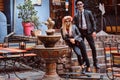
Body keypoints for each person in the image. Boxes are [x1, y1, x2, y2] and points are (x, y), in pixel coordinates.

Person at [73, 0, 100, 69]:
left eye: (80, 4)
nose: (79, 6)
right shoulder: (76, 16)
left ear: (83, 5)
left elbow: (93, 22)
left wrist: (94, 31)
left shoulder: (88, 13)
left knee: (93, 47)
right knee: (82, 48)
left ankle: (95, 62)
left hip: (89, 32)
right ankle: (85, 61)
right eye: (78, 4)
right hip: (80, 33)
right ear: (76, 6)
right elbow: (75, 26)